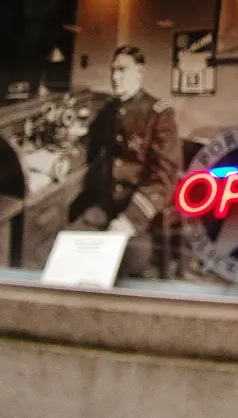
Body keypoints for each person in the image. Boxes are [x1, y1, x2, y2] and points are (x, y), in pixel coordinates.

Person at [67, 45, 182, 278]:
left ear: (140, 71)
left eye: (122, 70)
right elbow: (89, 142)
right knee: (70, 247)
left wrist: (132, 219)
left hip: (141, 215)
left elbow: (165, 175)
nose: (115, 77)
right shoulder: (110, 109)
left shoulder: (158, 113)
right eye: (113, 70)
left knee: (116, 267)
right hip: (107, 205)